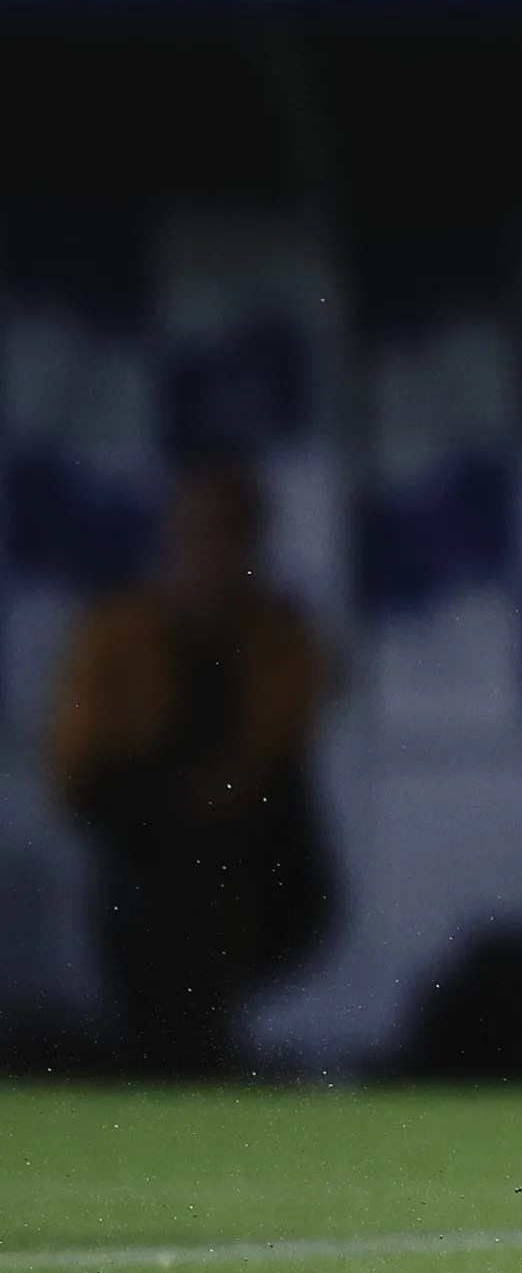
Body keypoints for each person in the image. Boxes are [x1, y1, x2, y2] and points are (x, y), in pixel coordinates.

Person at [45, 458, 336, 1073]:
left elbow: (285, 736)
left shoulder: (280, 636)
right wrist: (174, 796)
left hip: (253, 856)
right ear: (174, 534)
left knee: (260, 890)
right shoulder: (117, 634)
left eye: (234, 532)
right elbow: (76, 768)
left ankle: (208, 1041)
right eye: (202, 530)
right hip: (148, 851)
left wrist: (228, 788)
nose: (217, 550)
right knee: (159, 944)